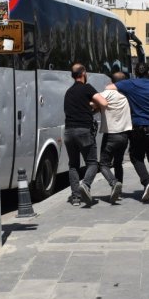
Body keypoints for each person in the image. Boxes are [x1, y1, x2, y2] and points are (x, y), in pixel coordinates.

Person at [107, 61, 149, 202]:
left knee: (136, 156)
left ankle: (147, 182)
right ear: (148, 72)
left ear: (135, 72)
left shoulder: (130, 84)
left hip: (139, 127)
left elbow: (109, 87)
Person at [63, 63, 106, 207]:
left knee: (73, 165)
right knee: (92, 162)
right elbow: (104, 103)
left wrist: (90, 108)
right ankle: (85, 185)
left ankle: (75, 197)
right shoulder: (87, 88)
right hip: (84, 131)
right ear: (83, 73)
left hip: (69, 132)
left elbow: (79, 108)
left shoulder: (69, 92)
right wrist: (97, 106)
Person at [96, 72, 132, 204]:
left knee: (104, 164)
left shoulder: (106, 93)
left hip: (111, 135)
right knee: (118, 164)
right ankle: (119, 193)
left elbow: (94, 103)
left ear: (112, 82)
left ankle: (114, 183)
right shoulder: (127, 95)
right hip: (124, 135)